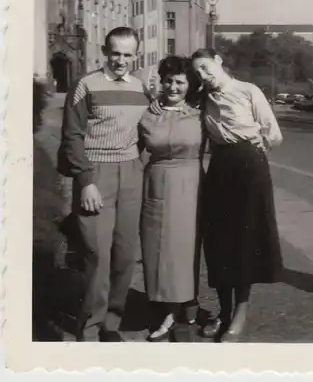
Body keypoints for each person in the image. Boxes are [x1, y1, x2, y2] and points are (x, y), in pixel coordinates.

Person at [57, 26, 150, 342]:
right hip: (96, 174)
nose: (121, 60)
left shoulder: (140, 87)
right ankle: (92, 326)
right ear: (104, 52)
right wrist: (86, 181)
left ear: (135, 55)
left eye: (127, 54)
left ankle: (112, 324)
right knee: (97, 253)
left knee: (125, 254)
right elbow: (72, 136)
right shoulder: (86, 85)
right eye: (115, 53)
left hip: (131, 173)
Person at [191, 48, 283, 342]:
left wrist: (255, 145)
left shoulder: (248, 90)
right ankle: (223, 312)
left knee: (245, 241)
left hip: (249, 169)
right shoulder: (203, 97)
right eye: (198, 73)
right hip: (220, 168)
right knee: (219, 242)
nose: (204, 76)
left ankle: (239, 314)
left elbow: (274, 134)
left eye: (206, 68)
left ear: (219, 61)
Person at [139, 55, 205, 342]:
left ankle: (185, 304)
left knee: (184, 247)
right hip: (156, 182)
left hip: (191, 185)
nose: (173, 87)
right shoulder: (149, 113)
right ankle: (166, 307)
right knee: (157, 247)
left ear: (189, 85)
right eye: (168, 81)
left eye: (180, 82)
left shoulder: (200, 113)